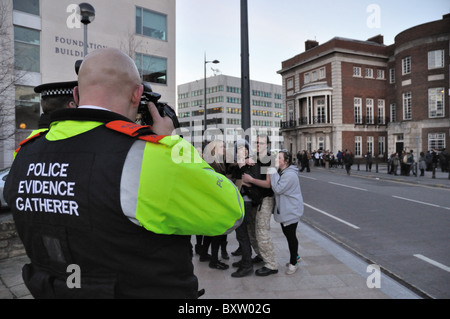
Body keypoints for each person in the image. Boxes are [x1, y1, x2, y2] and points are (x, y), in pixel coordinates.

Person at [4, 48, 244, 299]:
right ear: (137, 94)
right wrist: (170, 143)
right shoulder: (146, 156)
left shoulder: (26, 151)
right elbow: (230, 213)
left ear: (76, 93)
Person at [242, 135, 278, 276]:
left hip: (265, 199)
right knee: (252, 231)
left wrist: (250, 179)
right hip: (254, 199)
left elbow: (268, 184)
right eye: (256, 143)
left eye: (261, 143)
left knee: (262, 232)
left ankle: (272, 264)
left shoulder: (269, 160)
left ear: (267, 144)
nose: (258, 145)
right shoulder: (254, 158)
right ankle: (261, 255)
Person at [230, 139, 261, 277]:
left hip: (246, 202)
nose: (244, 151)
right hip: (239, 201)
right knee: (240, 233)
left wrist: (243, 165)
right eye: (240, 149)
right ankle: (245, 259)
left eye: (246, 148)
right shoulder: (238, 165)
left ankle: (247, 265)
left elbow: (248, 183)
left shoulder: (251, 164)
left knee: (243, 234)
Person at [269, 150, 304, 275]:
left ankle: (293, 262)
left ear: (286, 161)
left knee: (291, 236)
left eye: (279, 158)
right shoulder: (283, 171)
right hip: (287, 209)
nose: (277, 159)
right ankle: (297, 256)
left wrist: (272, 171)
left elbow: (278, 189)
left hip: (291, 210)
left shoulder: (289, 175)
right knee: (288, 233)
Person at [201, 140, 230, 270]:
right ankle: (214, 260)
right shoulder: (212, 163)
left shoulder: (218, 161)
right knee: (217, 231)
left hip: (212, 201)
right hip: (214, 202)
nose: (224, 148)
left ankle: (203, 254)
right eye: (222, 146)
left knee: (209, 230)